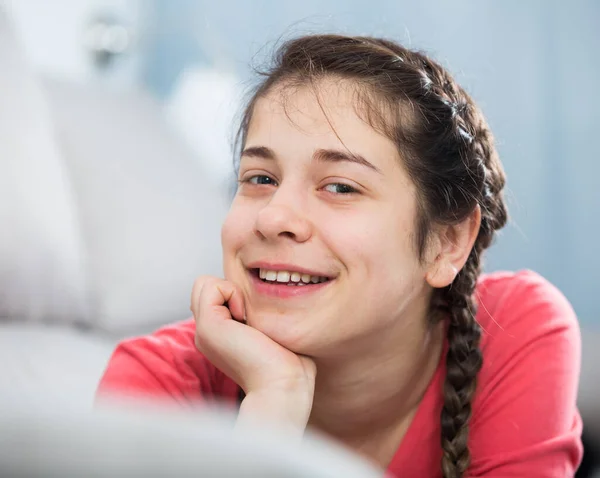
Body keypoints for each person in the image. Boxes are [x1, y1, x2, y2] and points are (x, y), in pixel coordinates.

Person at [97, 34, 583, 477]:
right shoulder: (154, 383)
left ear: (446, 242)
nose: (272, 218)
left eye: (340, 187)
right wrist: (273, 408)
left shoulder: (516, 328)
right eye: (259, 179)